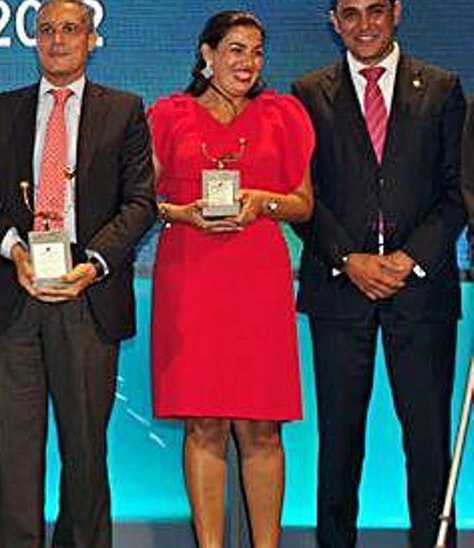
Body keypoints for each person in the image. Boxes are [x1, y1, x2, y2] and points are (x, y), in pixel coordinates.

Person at [0, 0, 156, 545]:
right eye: (46, 29)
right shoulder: (1, 111)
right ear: (34, 39)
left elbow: (140, 203)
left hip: (88, 297)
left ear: (92, 38)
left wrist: (93, 264)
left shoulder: (123, 110)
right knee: (16, 456)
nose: (57, 39)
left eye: (71, 29)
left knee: (86, 456)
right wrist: (14, 250)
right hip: (18, 295)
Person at [291, 0, 466, 545]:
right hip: (340, 291)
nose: (363, 25)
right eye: (350, 13)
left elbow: (459, 191)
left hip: (422, 293)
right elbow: (303, 199)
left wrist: (409, 259)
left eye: (375, 11)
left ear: (396, 12)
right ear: (333, 21)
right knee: (339, 444)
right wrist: (349, 259)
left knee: (429, 444)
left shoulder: (441, 87)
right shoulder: (306, 93)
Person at [147, 11, 314, 548]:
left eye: (257, 52)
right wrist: (183, 212)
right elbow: (144, 202)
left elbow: (304, 205)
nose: (248, 63)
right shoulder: (167, 116)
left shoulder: (283, 114)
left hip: (258, 281)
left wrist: (263, 202)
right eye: (236, 50)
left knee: (264, 426)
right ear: (207, 54)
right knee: (205, 424)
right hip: (191, 278)